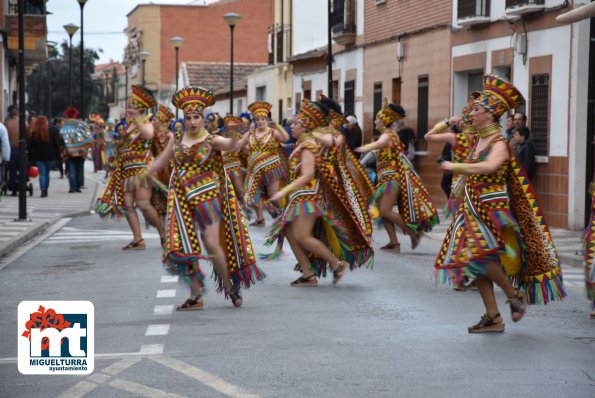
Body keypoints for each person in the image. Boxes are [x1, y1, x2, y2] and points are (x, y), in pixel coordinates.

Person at [437, 75, 565, 333]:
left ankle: (514, 296)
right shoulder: (478, 140)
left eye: (476, 109)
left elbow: (490, 166)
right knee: (475, 263)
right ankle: (493, 317)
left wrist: (456, 166)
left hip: (491, 212)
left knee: (480, 257)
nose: (471, 113)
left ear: (491, 114)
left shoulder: (499, 144)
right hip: (472, 207)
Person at [150, 86, 264, 310]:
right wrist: (141, 174)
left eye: (197, 117)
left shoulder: (212, 140)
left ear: (203, 118)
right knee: (182, 245)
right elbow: (160, 163)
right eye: (188, 117)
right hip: (182, 199)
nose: (192, 122)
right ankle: (195, 295)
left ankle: (230, 287)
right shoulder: (177, 140)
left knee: (211, 243)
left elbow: (232, 146)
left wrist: (233, 133)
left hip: (208, 198)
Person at [266, 99, 348, 286]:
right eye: (292, 123)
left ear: (306, 127)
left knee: (302, 235)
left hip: (308, 196)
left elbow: (308, 174)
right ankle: (307, 273)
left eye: (296, 123)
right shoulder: (302, 144)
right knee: (286, 230)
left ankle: (337, 265)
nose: (291, 126)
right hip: (300, 196)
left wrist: (282, 192)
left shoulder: (308, 145)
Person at [355, 99, 438, 253]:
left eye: (377, 119)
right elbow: (377, 150)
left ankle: (414, 232)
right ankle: (394, 243)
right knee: (379, 210)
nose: (375, 121)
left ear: (384, 121)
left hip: (391, 180)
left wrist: (363, 148)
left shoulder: (388, 135)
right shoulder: (388, 135)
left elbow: (377, 145)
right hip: (386, 179)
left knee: (384, 210)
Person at [95, 85, 166, 250]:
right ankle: (138, 238)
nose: (128, 109)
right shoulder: (129, 126)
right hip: (127, 170)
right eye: (129, 106)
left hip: (142, 170)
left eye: (132, 107)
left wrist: (137, 120)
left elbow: (149, 135)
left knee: (143, 203)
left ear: (139, 109)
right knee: (127, 204)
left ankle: (163, 234)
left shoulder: (146, 123)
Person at [237, 101, 289, 226]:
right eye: (257, 119)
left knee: (272, 195)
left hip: (272, 169)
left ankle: (284, 214)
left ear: (267, 119)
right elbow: (238, 145)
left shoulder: (272, 132)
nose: (260, 122)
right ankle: (260, 219)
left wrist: (278, 126)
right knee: (254, 194)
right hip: (254, 170)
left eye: (263, 119)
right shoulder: (250, 133)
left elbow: (285, 138)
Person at [28, 116, 60, 197]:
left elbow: (31, 146)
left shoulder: (35, 133)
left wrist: (30, 157)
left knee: (42, 173)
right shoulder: (51, 132)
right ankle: (46, 189)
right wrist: (58, 156)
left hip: (39, 156)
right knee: (47, 173)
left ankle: (42, 190)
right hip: (50, 156)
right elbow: (56, 145)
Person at [5, 105, 28, 195]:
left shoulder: (7, 123)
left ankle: (14, 188)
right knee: (23, 169)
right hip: (21, 150)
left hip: (11, 150)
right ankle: (22, 185)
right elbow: (29, 135)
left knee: (12, 170)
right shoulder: (24, 123)